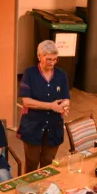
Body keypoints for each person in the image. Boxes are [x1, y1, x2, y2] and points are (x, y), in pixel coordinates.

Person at [18, 40, 70, 173]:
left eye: (55, 59)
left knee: (48, 162)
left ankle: (45, 190)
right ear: (39, 56)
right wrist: (50, 106)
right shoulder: (30, 74)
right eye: (48, 60)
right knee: (32, 163)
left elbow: (66, 98)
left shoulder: (61, 74)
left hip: (54, 126)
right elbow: (27, 101)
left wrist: (63, 106)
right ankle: (29, 190)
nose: (52, 63)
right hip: (33, 126)